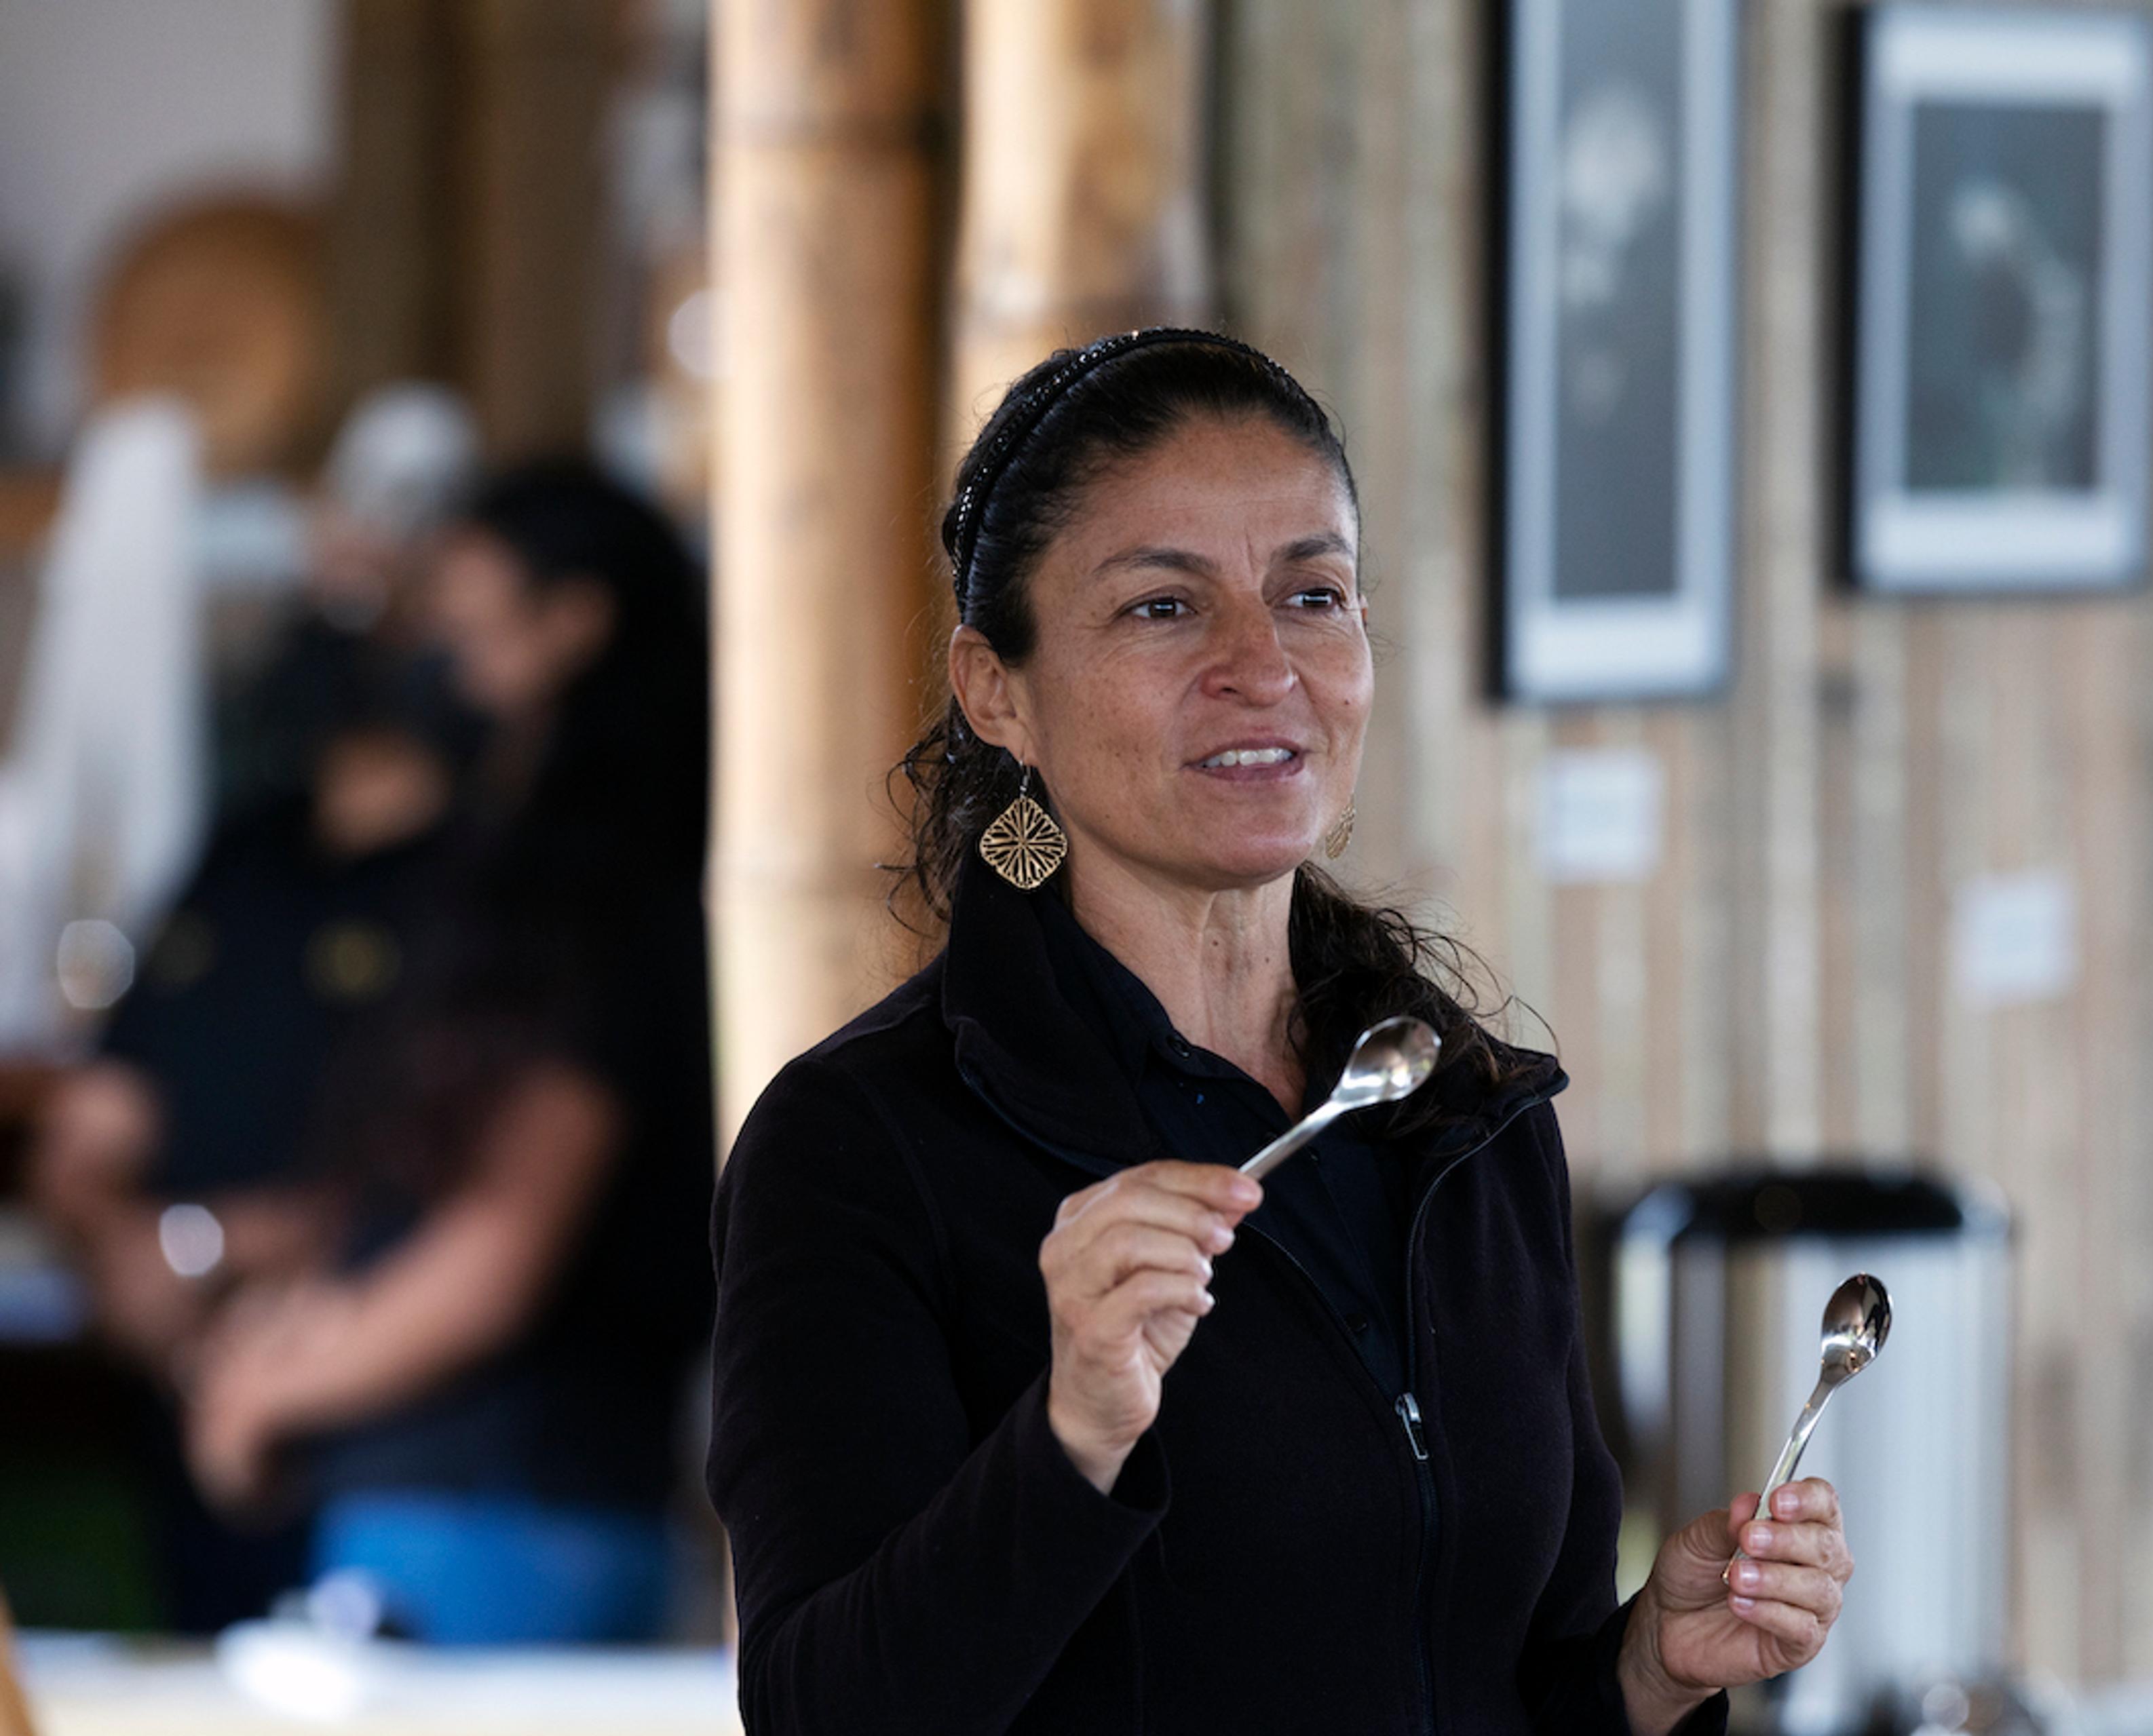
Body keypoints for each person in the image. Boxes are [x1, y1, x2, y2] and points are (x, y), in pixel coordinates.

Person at [706, 330, 1854, 1735]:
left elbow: (1511, 1680)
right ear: (995, 687)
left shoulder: (1464, 1115)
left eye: (1313, 593)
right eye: (1162, 608)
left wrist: (1650, 1670)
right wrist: (1071, 1438)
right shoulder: (866, 1141)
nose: (1264, 664)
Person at [183, 464, 717, 1644]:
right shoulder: (524, 877)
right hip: (464, 1505)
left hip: (502, 1511)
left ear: (571, 626)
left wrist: (267, 1389)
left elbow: (498, 1245)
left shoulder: (600, 901)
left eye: (465, 625)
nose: (437, 659)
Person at [26, 665, 463, 1629]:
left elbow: (463, 1173)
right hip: (181, 1383)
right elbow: (101, 1114)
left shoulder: (479, 878)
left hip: (380, 1396)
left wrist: (204, 1248)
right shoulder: (247, 855)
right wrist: (131, 1258)